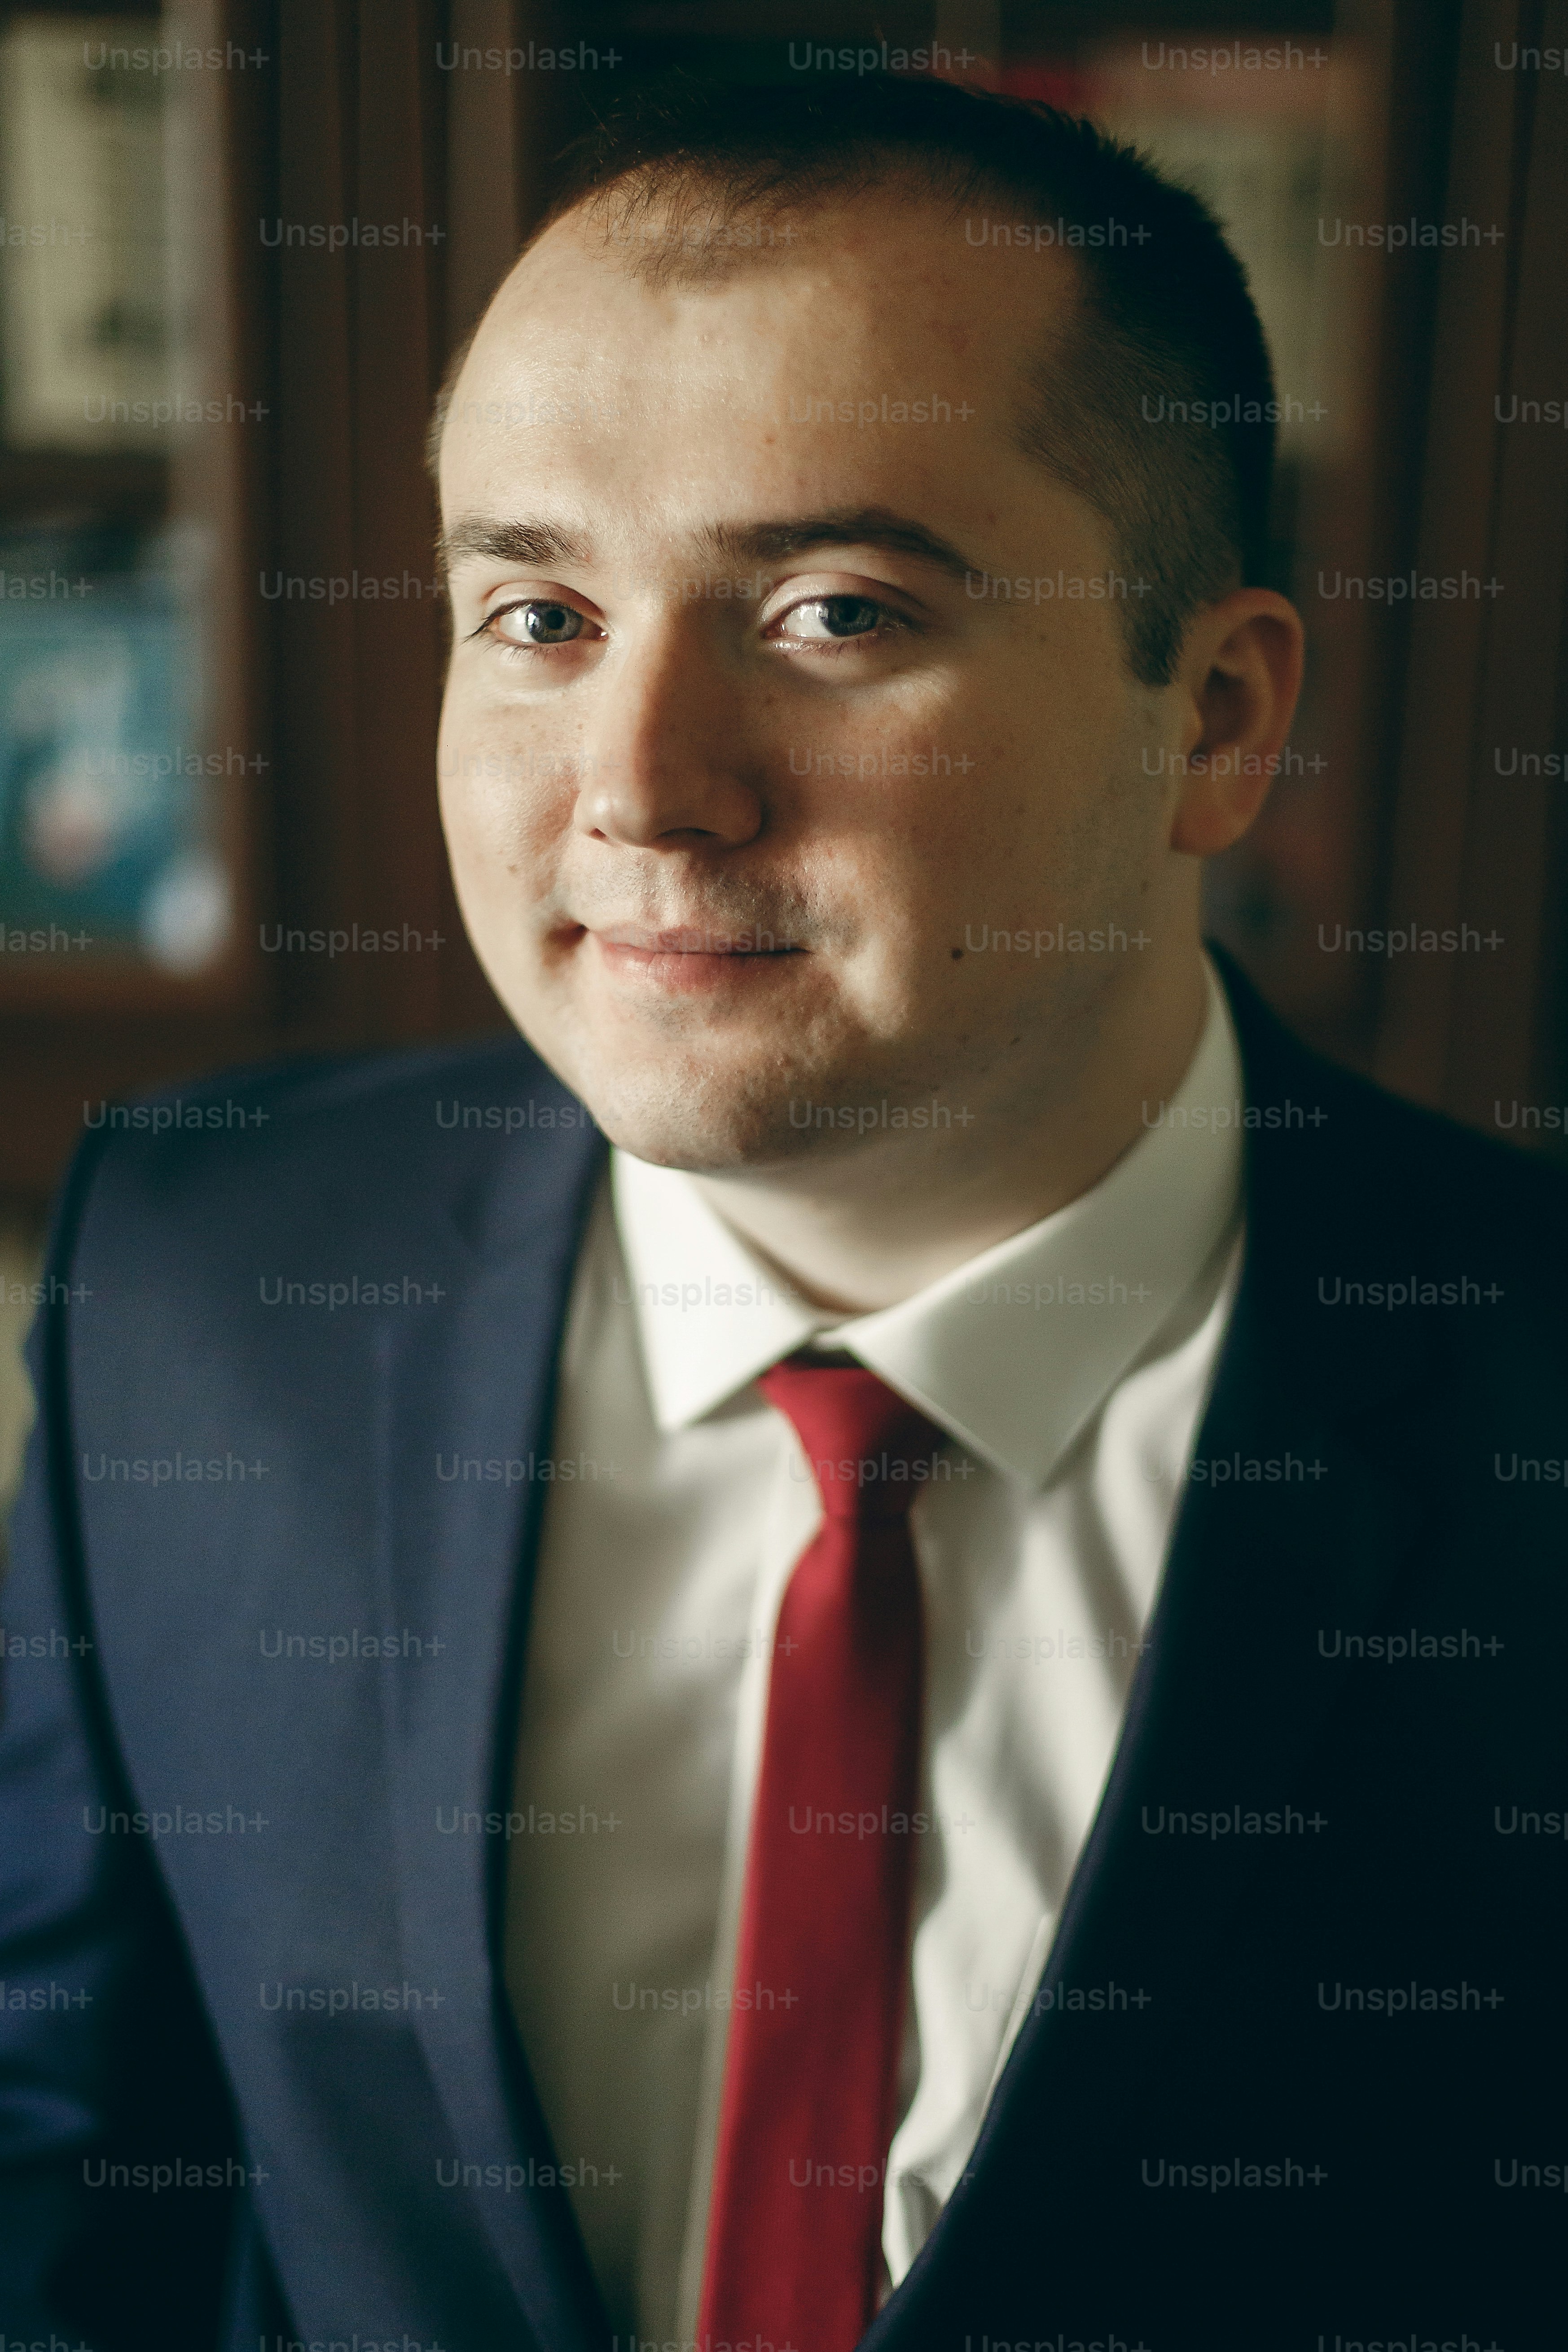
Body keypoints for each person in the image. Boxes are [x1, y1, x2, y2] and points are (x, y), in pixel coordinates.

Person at [1, 74, 1562, 2352]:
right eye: (534, 612)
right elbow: (67, 2148)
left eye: (832, 611)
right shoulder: (195, 1276)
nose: (640, 782)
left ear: (1215, 715)